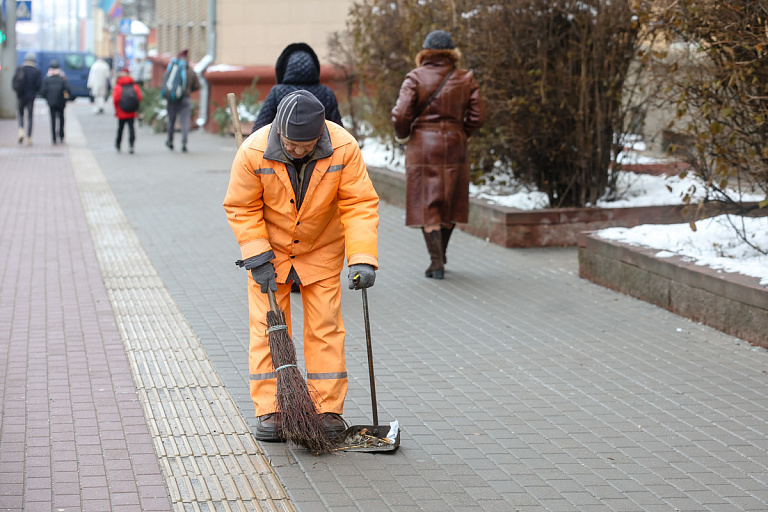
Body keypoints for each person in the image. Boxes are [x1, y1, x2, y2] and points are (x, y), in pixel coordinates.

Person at [223, 90, 379, 441]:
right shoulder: (253, 151)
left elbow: (359, 204)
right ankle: (272, 409)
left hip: (321, 249)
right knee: (269, 332)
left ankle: (326, 409)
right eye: (290, 144)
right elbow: (241, 206)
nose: (296, 150)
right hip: (270, 253)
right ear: (279, 130)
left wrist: (363, 258)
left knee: (326, 329)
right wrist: (257, 255)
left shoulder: (343, 147)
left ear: (320, 134)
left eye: (304, 146)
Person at [391, 29, 486, 280]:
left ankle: (436, 262)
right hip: (455, 144)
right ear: (451, 53)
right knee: (450, 201)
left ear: (425, 53)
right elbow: (478, 116)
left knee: (428, 203)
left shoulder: (415, 77)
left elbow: (400, 114)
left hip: (423, 146)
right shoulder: (465, 78)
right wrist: (460, 132)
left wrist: (404, 135)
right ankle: (441, 254)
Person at [250, 42, 343, 135]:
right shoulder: (326, 93)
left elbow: (259, 130)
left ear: (286, 67)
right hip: (321, 148)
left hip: (283, 148)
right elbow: (338, 132)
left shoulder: (277, 92)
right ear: (314, 67)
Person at [164, 49, 200, 152]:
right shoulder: (190, 71)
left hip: (172, 99)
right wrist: (188, 90)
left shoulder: (172, 69)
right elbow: (197, 85)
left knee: (171, 120)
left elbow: (165, 82)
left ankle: (170, 140)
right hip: (185, 99)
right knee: (184, 121)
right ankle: (184, 143)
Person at [40, 60, 72, 145]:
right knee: (61, 118)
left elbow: (42, 91)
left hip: (51, 102)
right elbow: (68, 89)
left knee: (52, 119)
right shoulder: (62, 78)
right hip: (61, 102)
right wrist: (65, 98)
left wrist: (48, 98)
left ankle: (54, 138)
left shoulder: (47, 78)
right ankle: (61, 135)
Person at [13, 52, 42, 146]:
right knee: (30, 117)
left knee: (21, 114)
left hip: (21, 96)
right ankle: (29, 137)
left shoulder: (20, 69)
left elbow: (14, 81)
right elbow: (38, 86)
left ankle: (21, 130)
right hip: (31, 97)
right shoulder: (36, 71)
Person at [113, 68, 142, 154]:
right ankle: (131, 145)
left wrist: (117, 109)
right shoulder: (134, 85)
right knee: (131, 128)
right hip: (131, 112)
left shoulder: (118, 86)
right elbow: (139, 97)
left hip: (121, 111)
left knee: (120, 129)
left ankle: (118, 144)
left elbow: (115, 99)